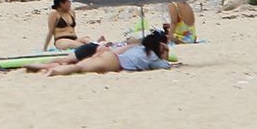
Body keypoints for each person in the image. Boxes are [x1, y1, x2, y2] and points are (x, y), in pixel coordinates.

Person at [29, 31, 171, 76]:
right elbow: (165, 65)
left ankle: (42, 67)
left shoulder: (137, 48)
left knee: (80, 65)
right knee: (79, 68)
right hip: (114, 62)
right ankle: (54, 72)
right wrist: (166, 51)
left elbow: (117, 50)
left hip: (110, 55)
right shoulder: (152, 57)